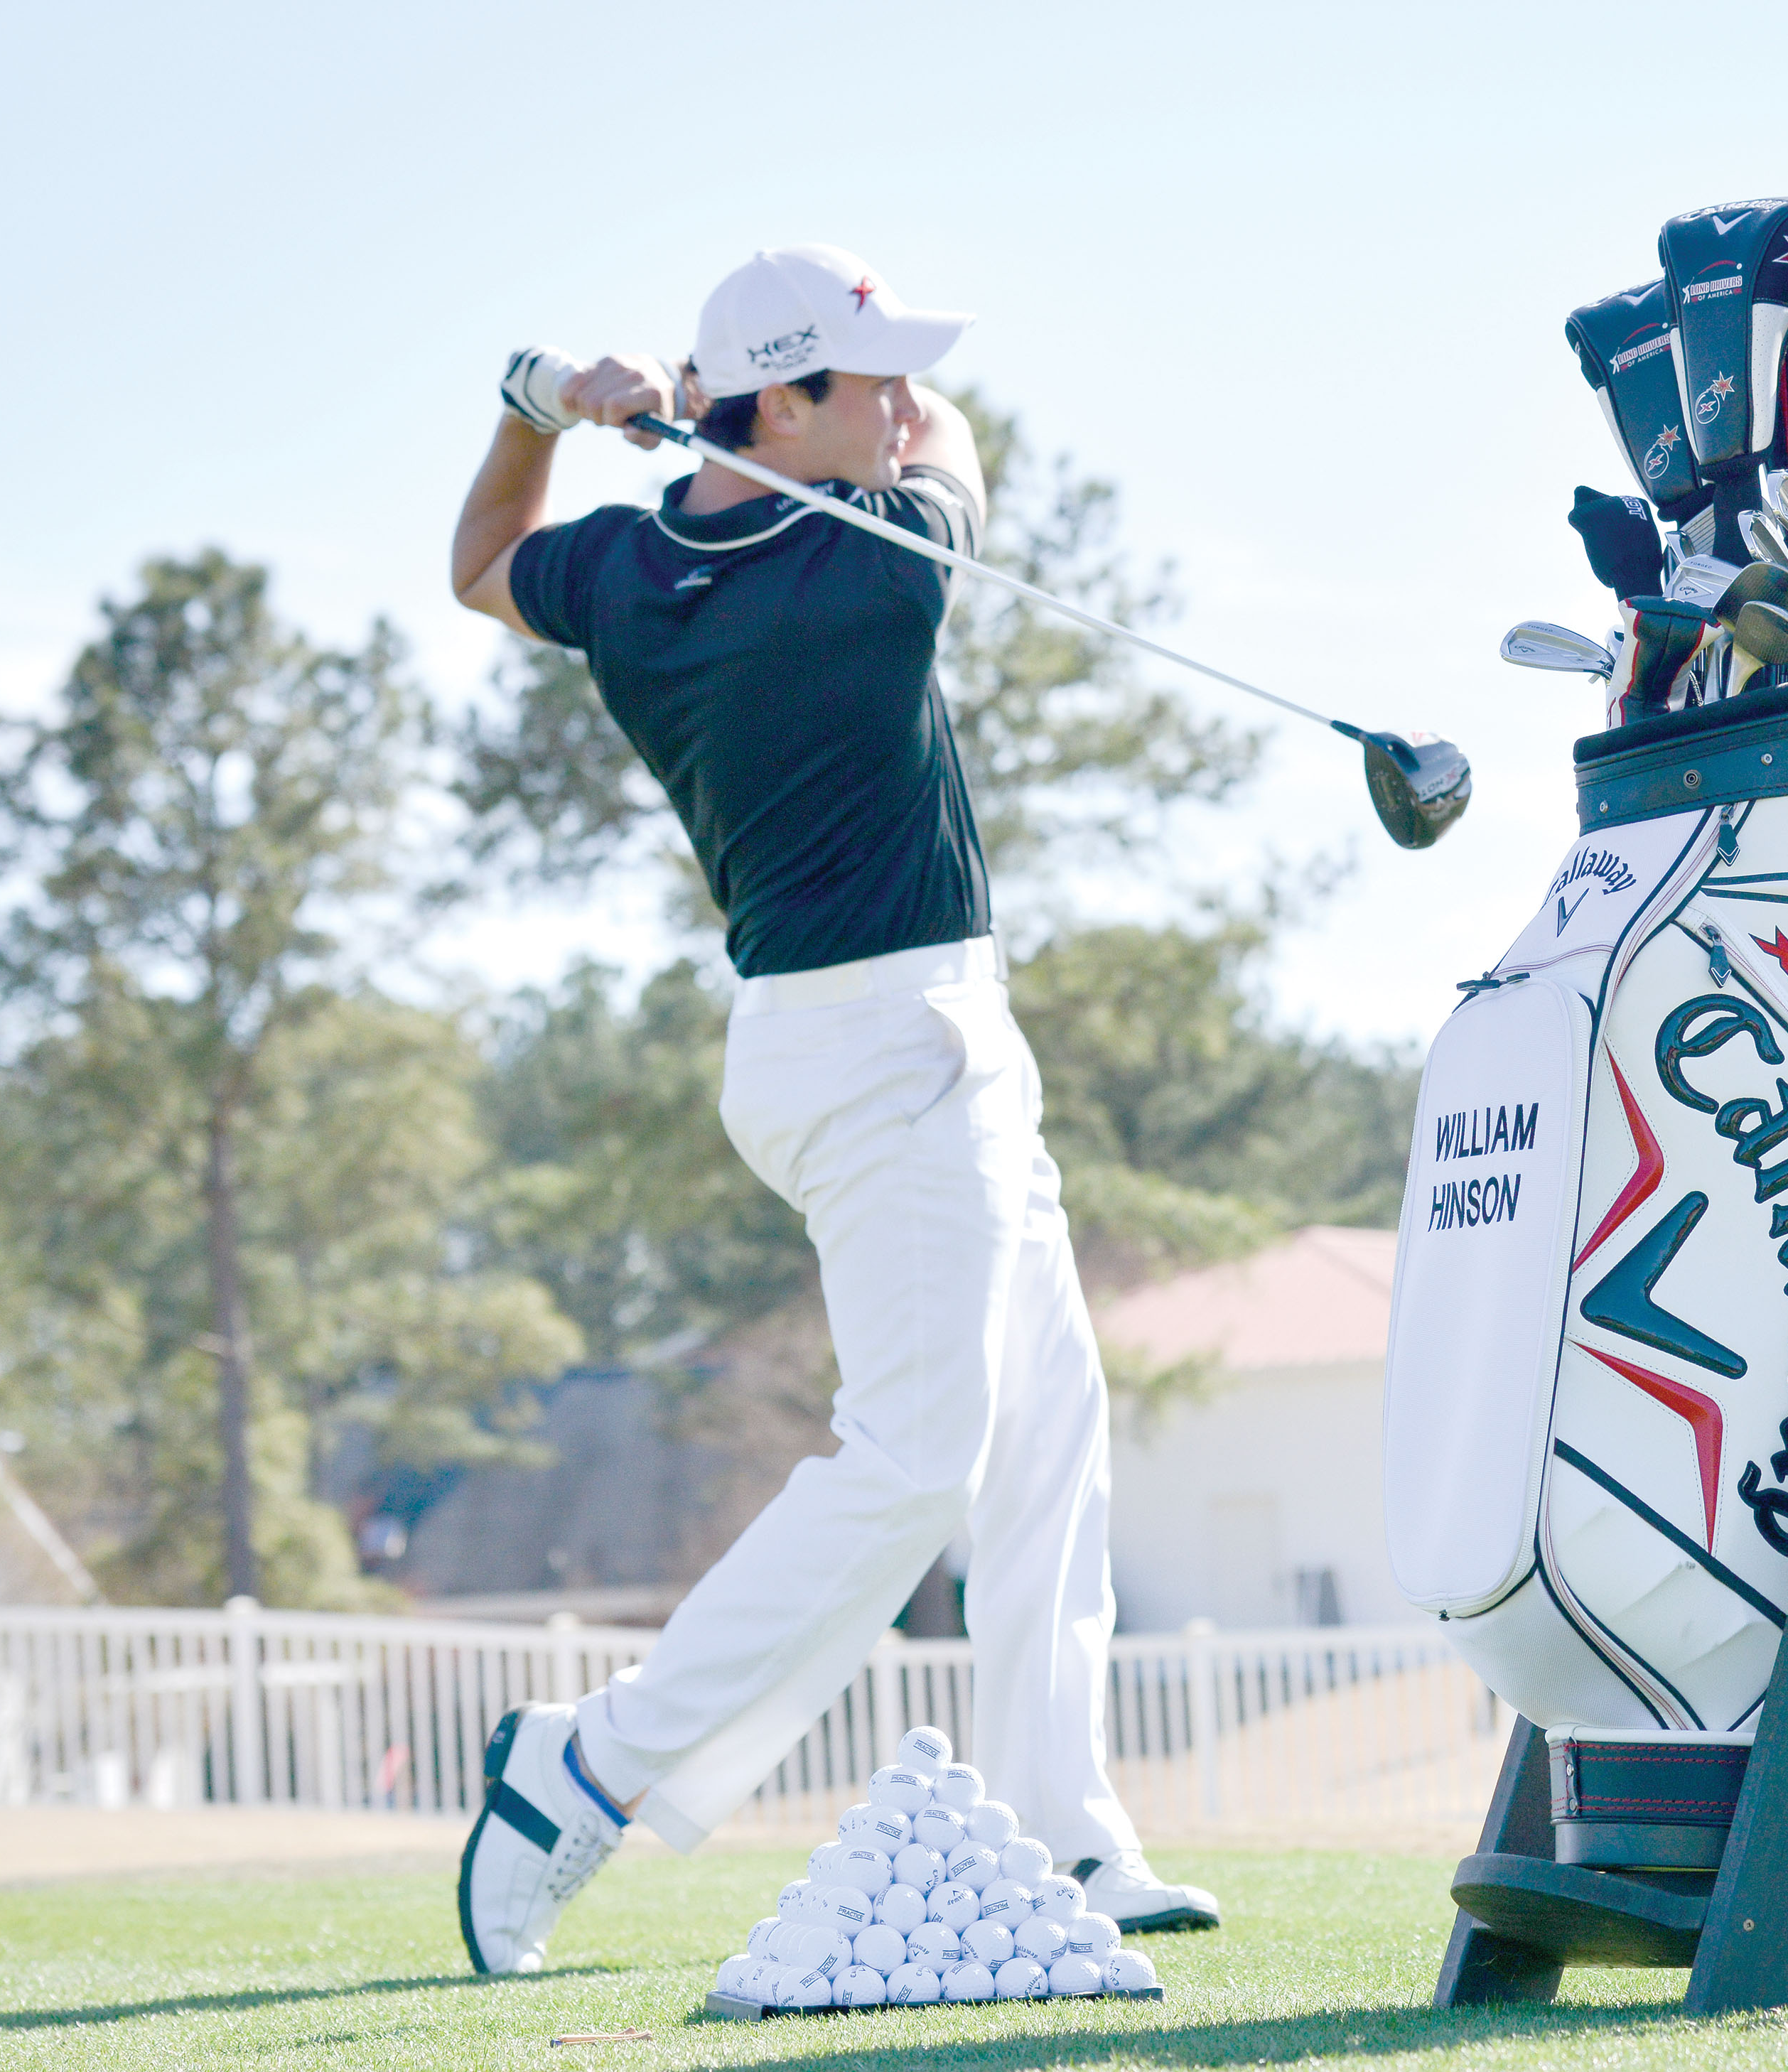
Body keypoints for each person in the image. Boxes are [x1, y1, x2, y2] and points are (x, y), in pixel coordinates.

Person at [446, 243, 1219, 1975]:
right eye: (865, 382)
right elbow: (956, 451)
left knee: (1048, 1430)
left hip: (862, 1038)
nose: (904, 403)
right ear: (785, 406)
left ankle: (1062, 1830)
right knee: (919, 1457)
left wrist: (542, 407)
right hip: (892, 1046)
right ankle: (590, 1766)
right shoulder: (873, 567)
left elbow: (482, 565)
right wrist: (703, 413)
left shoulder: (629, 572)